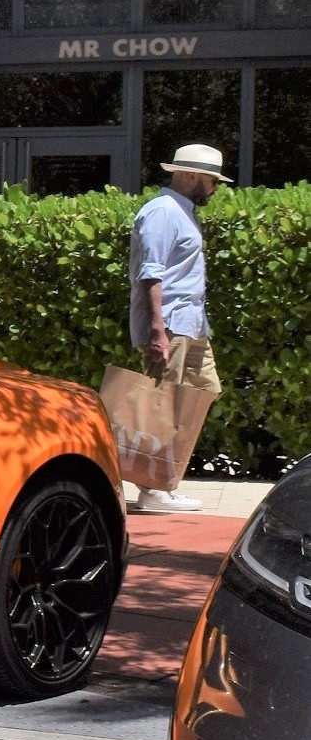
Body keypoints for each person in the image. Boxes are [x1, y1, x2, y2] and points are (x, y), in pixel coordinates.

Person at [127, 144, 230, 513]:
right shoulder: (162, 212)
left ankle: (164, 479)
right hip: (170, 325)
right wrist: (157, 332)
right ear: (190, 175)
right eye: (212, 180)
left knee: (204, 391)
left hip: (191, 324)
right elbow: (150, 274)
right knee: (161, 404)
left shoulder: (183, 212)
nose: (215, 188)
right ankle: (152, 488)